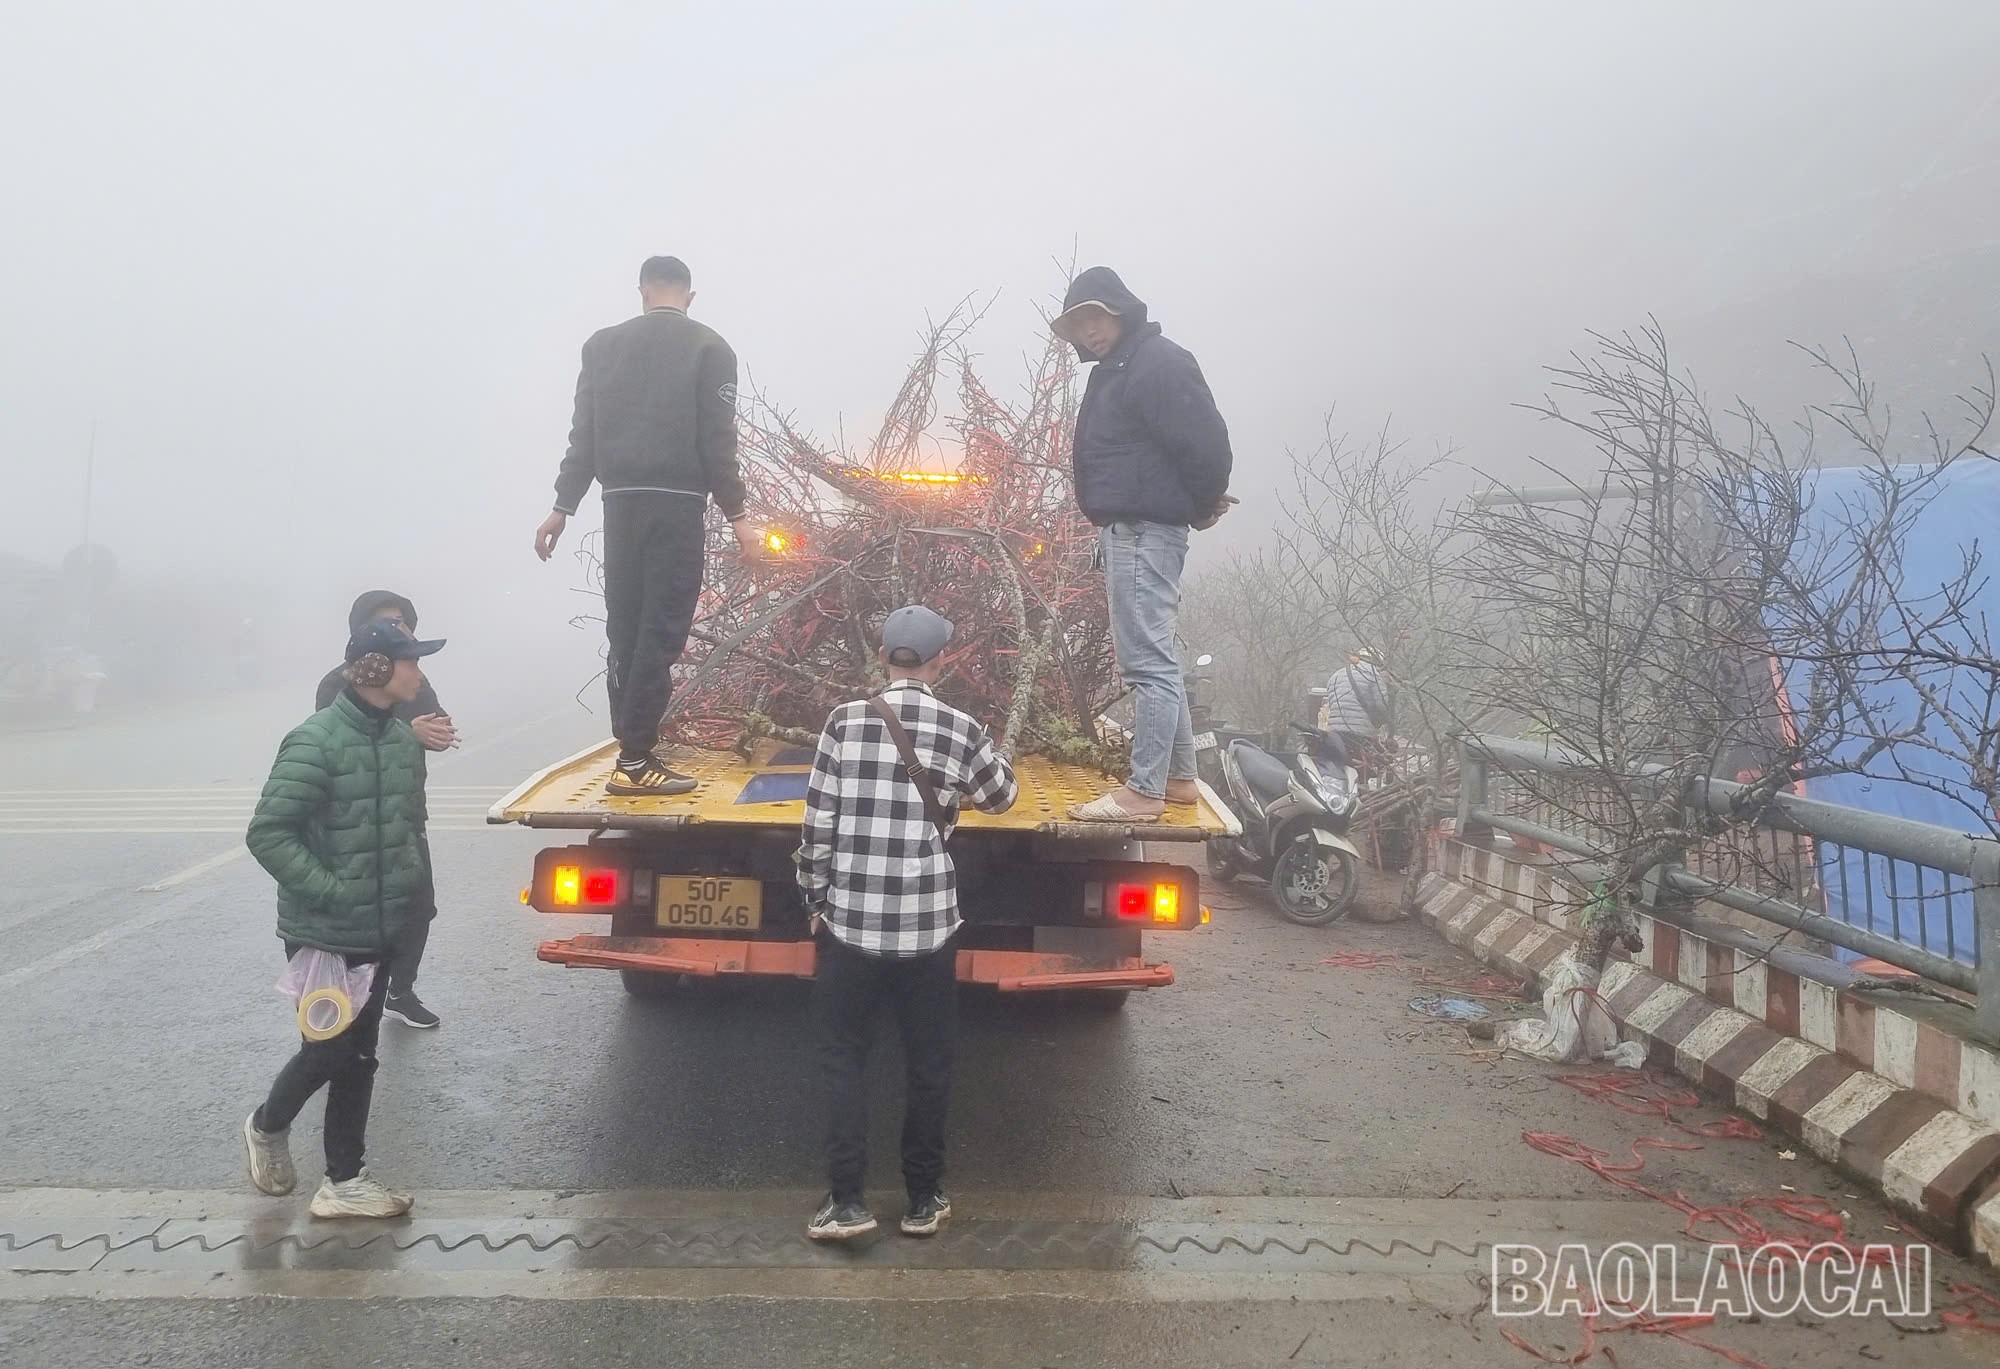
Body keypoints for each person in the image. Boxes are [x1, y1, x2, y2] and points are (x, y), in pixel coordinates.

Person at [795, 605, 1019, 1242]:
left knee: (843, 1060)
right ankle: (924, 1200)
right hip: (928, 928)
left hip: (851, 924)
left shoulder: (844, 722)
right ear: (940, 660)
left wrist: (814, 901)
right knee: (928, 1063)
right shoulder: (961, 726)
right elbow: (1002, 798)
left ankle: (846, 1204)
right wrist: (989, 754)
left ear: (883, 654)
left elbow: (817, 827)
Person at [533, 255, 764, 796]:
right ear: (689, 295)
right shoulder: (710, 347)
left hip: (620, 504)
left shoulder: (601, 346)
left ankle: (631, 749)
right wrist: (740, 516)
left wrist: (562, 506)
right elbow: (717, 441)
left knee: (625, 628)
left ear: (642, 291)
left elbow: (583, 435)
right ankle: (636, 761)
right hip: (677, 506)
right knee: (661, 632)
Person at [242, 618, 443, 1219]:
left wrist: (407, 894)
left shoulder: (402, 741)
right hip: (326, 930)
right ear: (376, 668)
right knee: (329, 1049)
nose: (420, 672)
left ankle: (344, 1182)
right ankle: (267, 1125)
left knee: (360, 1054)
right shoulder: (315, 741)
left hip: (382, 926)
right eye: (410, 661)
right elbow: (268, 833)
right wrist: (332, 890)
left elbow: (408, 827)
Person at [1050, 267, 1235, 823]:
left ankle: (1145, 790)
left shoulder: (1157, 362)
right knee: (1161, 661)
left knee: (1146, 665)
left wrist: (1201, 504)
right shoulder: (1121, 368)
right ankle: (1179, 780)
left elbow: (1206, 443)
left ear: (1120, 309)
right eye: (1078, 325)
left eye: (1095, 318)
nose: (1088, 332)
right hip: (1137, 528)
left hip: (1143, 529)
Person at [314, 590, 457, 1029]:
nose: (400, 628)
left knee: (420, 907)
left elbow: (439, 723)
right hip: (355, 823)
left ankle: (400, 990)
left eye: (403, 620)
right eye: (388, 621)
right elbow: (339, 745)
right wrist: (406, 733)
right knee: (356, 919)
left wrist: (431, 730)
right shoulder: (337, 684)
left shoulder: (415, 678)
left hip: (405, 813)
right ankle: (338, 1003)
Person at [1322, 648, 1391, 777]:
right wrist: (1382, 722)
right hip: (1361, 733)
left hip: (1335, 732)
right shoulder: (1373, 674)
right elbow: (1381, 705)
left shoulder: (1335, 676)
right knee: (1362, 771)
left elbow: (1331, 705)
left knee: (1341, 768)